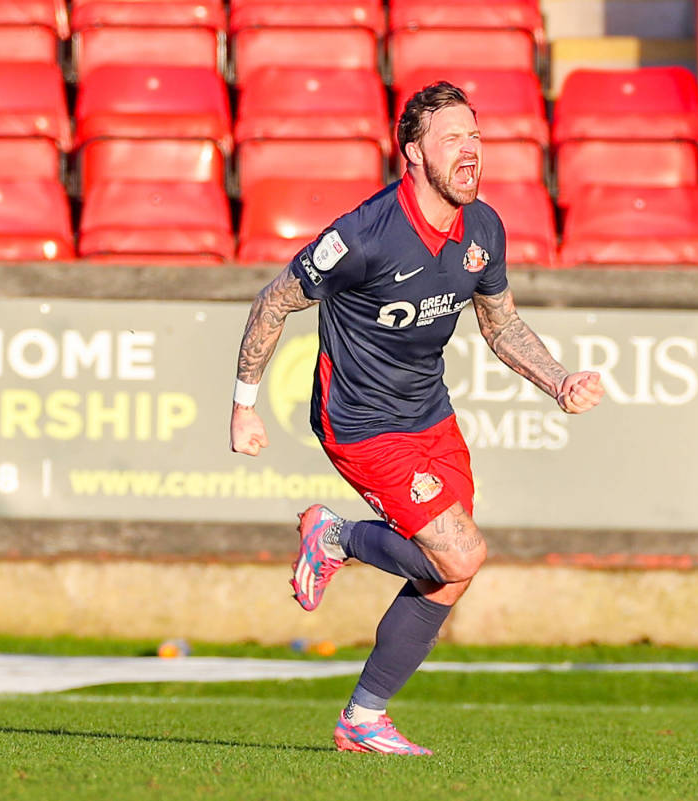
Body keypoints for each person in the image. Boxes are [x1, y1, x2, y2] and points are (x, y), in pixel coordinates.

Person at [229, 82, 604, 755]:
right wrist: (243, 404)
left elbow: (502, 323)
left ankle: (362, 717)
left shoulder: (482, 227)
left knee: (450, 570)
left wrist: (559, 380)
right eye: (453, 136)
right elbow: (274, 300)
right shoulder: (363, 236)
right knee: (463, 550)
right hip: (361, 420)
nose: (471, 150)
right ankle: (337, 535)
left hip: (430, 414)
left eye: (476, 136)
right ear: (413, 151)